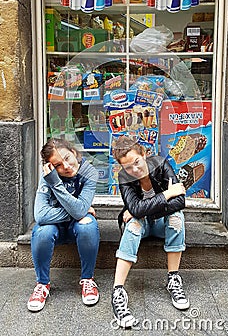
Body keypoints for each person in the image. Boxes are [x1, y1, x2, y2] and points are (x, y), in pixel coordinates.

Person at [111, 135, 189, 328]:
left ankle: (173, 279)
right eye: (128, 167)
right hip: (142, 226)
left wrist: (144, 208)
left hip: (162, 223)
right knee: (133, 224)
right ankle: (118, 291)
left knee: (177, 218)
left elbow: (180, 201)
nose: (134, 170)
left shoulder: (161, 165)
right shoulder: (124, 178)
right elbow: (136, 211)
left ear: (144, 154)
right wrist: (167, 194)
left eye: (137, 162)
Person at [27, 138, 100, 312]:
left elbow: (80, 213)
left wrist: (80, 212)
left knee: (87, 225)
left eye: (67, 158)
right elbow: (40, 215)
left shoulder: (90, 173)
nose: (66, 166)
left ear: (74, 152)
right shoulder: (49, 177)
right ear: (51, 167)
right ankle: (42, 284)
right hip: (54, 227)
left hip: (77, 227)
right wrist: (79, 209)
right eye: (58, 165)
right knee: (43, 230)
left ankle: (87, 280)